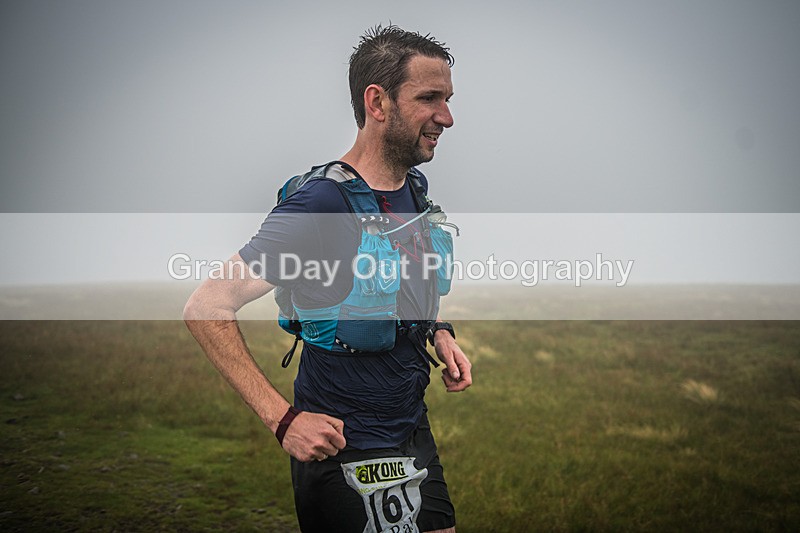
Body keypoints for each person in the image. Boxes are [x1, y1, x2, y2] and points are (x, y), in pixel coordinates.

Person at [184, 24, 471, 533]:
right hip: (341, 442)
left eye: (447, 99)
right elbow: (207, 306)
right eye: (430, 98)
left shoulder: (413, 188)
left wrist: (439, 331)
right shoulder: (321, 204)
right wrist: (284, 420)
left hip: (411, 427)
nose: (446, 117)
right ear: (377, 102)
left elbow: (394, 284)